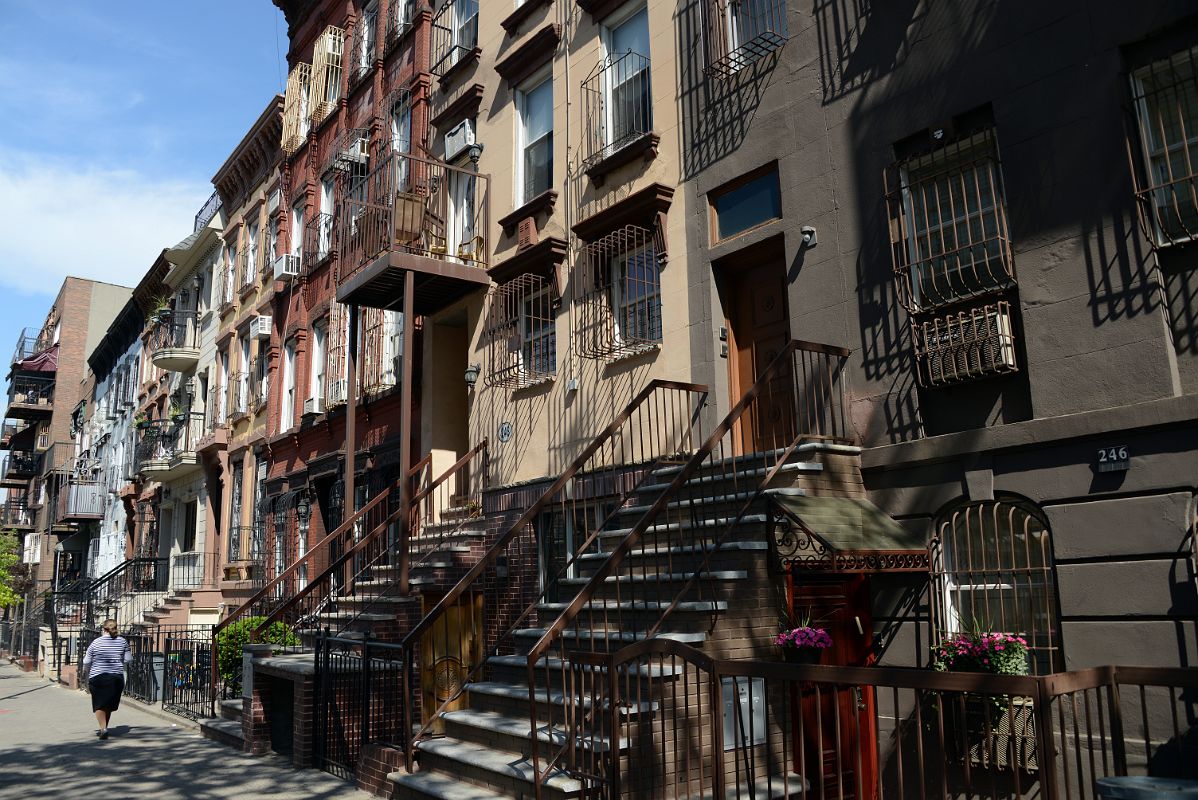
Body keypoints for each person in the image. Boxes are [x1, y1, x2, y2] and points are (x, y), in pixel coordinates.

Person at [81, 619, 131, 739]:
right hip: (116, 677)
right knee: (108, 704)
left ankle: (103, 729)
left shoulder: (95, 642)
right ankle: (105, 728)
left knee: (99, 704)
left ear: (104, 629)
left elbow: (86, 661)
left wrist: (86, 672)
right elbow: (128, 659)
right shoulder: (123, 642)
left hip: (98, 677)